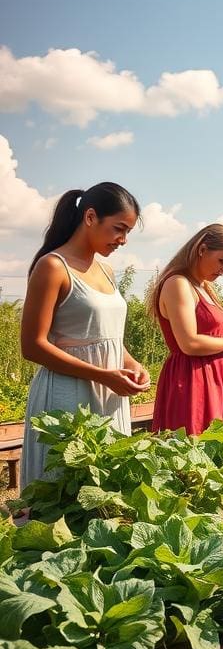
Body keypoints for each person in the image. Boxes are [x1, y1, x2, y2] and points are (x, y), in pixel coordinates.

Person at [19, 183, 150, 487]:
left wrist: (132, 364)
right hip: (68, 395)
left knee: (106, 493)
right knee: (65, 487)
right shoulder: (53, 267)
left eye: (127, 232)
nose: (123, 240)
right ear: (90, 217)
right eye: (119, 229)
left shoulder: (107, 271)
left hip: (110, 395)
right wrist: (103, 375)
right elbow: (33, 346)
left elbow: (107, 336)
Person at [150, 224, 223, 435]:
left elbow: (212, 337)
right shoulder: (178, 284)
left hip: (216, 377)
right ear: (202, 250)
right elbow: (189, 343)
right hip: (192, 380)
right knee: (194, 451)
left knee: (219, 452)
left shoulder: (202, 286)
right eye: (222, 261)